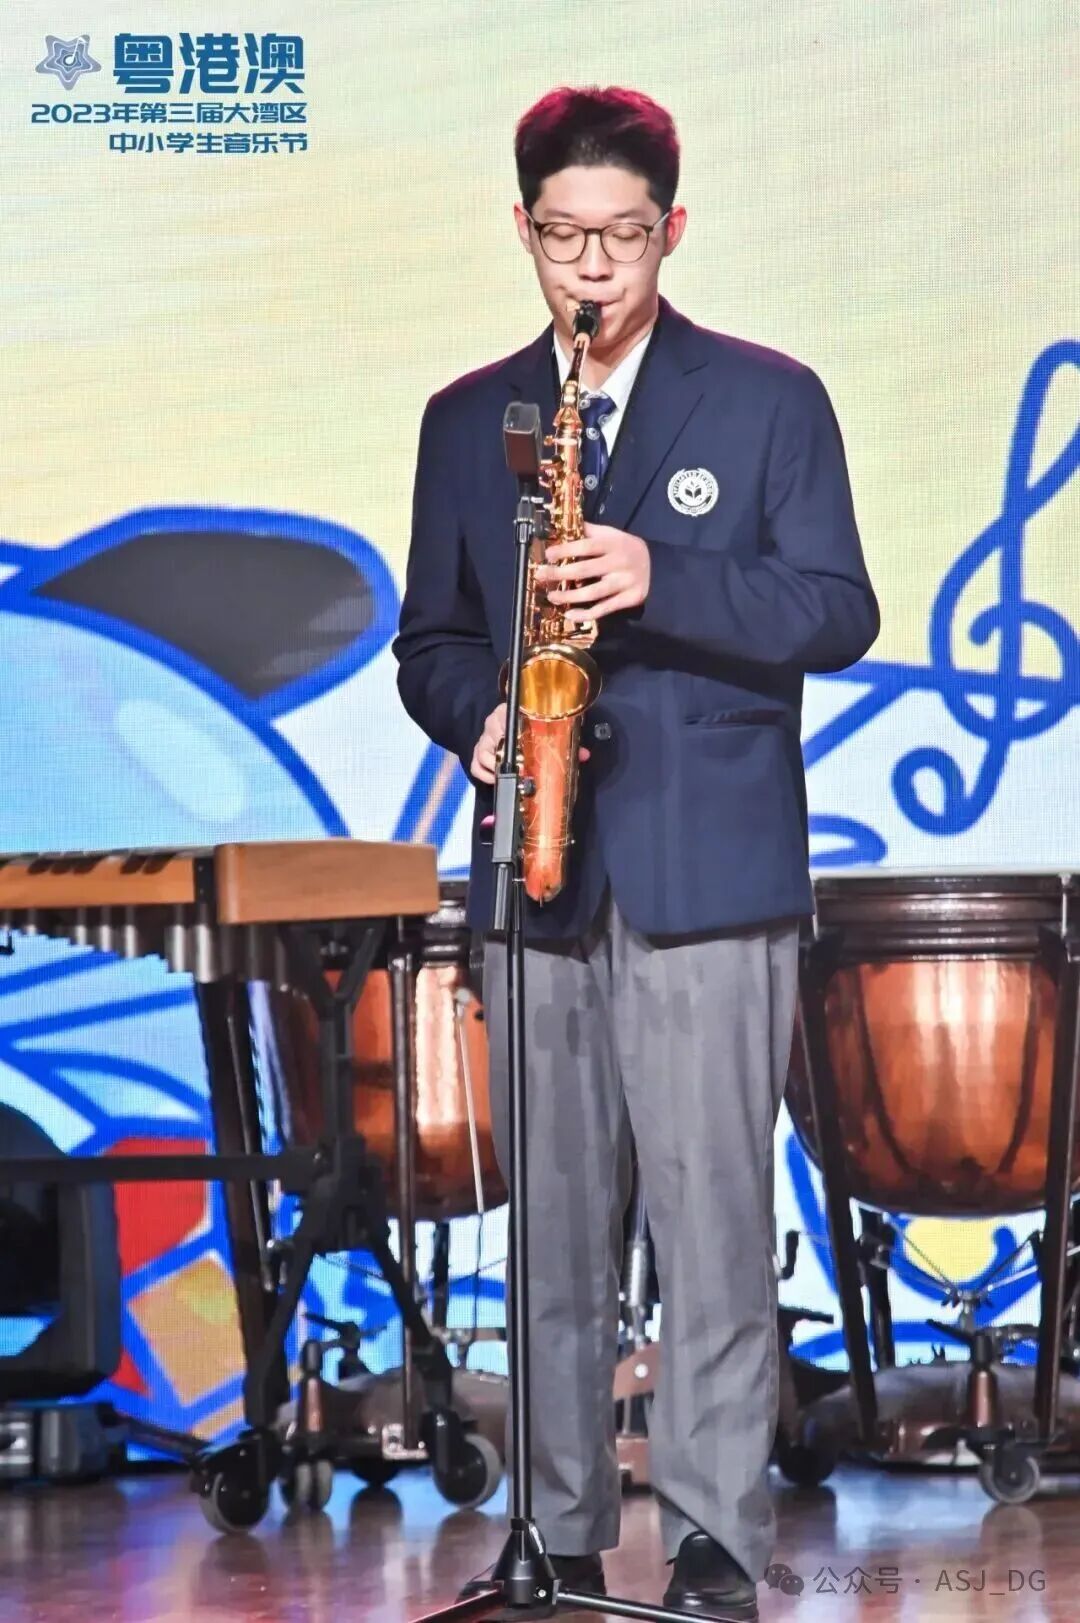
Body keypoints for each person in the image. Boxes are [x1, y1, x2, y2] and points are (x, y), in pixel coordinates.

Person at [393, 85, 879, 1622]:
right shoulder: (470, 419)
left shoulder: (769, 400)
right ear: (521, 228)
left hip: (709, 871)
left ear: (672, 231)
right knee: (551, 1230)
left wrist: (661, 575)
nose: (590, 269)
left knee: (712, 1219)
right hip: (537, 864)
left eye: (619, 238)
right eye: (562, 238)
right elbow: (431, 639)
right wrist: (480, 718)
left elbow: (836, 611)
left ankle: (715, 1536)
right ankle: (551, 1531)